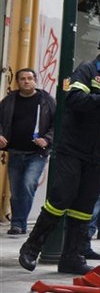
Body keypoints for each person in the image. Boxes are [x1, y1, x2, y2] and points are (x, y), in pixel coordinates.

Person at [18, 31, 100, 275]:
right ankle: (31, 248)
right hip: (73, 148)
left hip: (99, 153)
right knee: (62, 197)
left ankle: (72, 257)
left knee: (84, 205)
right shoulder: (86, 70)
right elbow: (73, 100)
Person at [0, 68, 55, 235]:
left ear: (35, 80)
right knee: (16, 190)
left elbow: (56, 123)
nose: (26, 81)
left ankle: (18, 222)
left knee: (28, 183)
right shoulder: (9, 101)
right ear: (18, 82)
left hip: (37, 153)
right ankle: (18, 224)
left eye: (30, 78)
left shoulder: (46, 100)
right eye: (22, 79)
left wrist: (47, 139)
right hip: (16, 151)